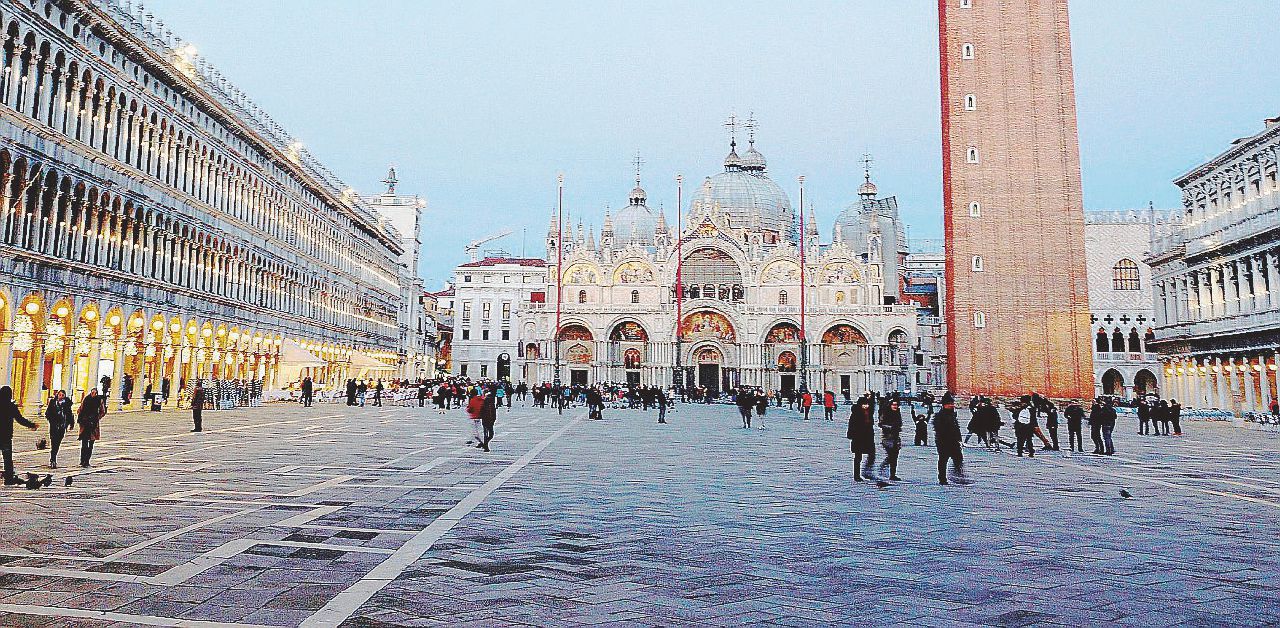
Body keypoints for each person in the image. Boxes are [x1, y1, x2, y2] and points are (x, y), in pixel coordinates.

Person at [1, 386, 38, 481]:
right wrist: (31, 425)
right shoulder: (11, 406)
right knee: (7, 458)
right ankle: (9, 478)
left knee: (7, 457)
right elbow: (20, 419)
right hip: (5, 436)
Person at [933, 393, 968, 485]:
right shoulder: (939, 416)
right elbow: (939, 429)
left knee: (958, 458)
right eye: (949, 404)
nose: (952, 405)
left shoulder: (952, 415)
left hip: (954, 441)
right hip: (943, 442)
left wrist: (959, 438)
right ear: (944, 405)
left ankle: (957, 475)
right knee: (943, 460)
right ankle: (942, 478)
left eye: (952, 404)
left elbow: (956, 428)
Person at [847, 396, 877, 483]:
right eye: (864, 404)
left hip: (868, 436)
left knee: (872, 454)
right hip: (858, 437)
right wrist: (851, 434)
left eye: (867, 404)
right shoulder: (856, 413)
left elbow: (873, 405)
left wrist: (872, 396)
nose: (866, 406)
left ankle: (867, 471)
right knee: (858, 457)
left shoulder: (869, 412)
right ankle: (857, 475)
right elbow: (851, 424)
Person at [876, 398, 904, 483]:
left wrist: (898, 427)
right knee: (891, 455)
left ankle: (892, 474)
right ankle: (883, 467)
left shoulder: (898, 413)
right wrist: (890, 427)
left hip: (896, 437)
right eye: (893, 405)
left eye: (896, 405)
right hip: (887, 437)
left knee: (895, 457)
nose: (895, 406)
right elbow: (881, 424)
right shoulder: (886, 413)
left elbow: (900, 423)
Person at [77, 388, 106, 468]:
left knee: (91, 444)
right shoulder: (86, 399)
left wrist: (97, 418)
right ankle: (82, 460)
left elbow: (102, 411)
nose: (93, 394)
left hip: (93, 425)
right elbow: (80, 409)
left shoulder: (99, 400)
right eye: (92, 393)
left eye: (95, 393)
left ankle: (87, 460)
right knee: (84, 443)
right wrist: (82, 417)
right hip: (85, 424)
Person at [44, 390, 73, 469]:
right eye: (60, 395)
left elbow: (69, 414)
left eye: (62, 395)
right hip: (54, 426)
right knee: (53, 442)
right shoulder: (53, 403)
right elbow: (47, 413)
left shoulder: (66, 404)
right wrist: (51, 419)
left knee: (57, 443)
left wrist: (71, 423)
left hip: (62, 426)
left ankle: (53, 456)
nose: (61, 396)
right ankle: (53, 459)